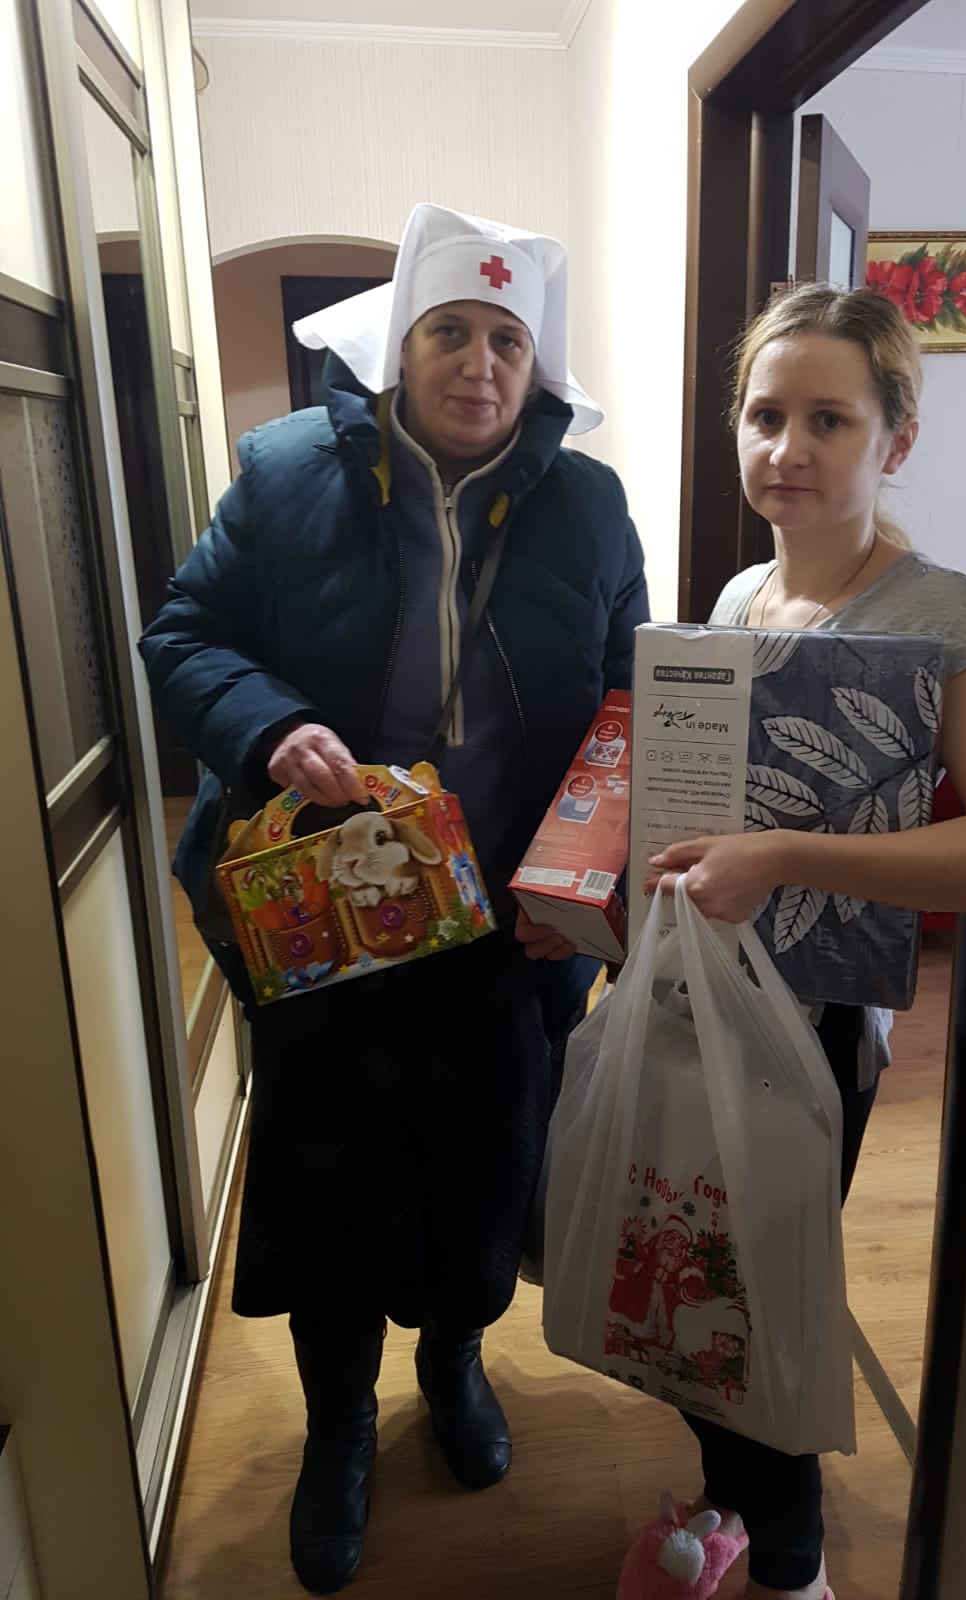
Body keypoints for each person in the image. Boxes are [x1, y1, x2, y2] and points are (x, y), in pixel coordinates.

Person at [140, 202, 648, 1595]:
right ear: (399, 347)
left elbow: (626, 707)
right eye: (450, 333)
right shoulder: (283, 473)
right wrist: (269, 727)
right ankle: (339, 1429)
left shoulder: (590, 505)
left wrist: (583, 879)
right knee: (332, 1172)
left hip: (507, 920)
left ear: (536, 366)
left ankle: (456, 1363)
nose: (478, 363)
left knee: (485, 1157)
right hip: (327, 907)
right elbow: (183, 632)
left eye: (506, 340)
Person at [617, 283, 966, 1600]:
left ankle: (792, 1568)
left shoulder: (945, 622)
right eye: (766, 416)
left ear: (897, 439)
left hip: (814, 1028)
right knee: (691, 1281)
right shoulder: (741, 595)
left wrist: (786, 858)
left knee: (763, 1302)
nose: (789, 448)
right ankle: (730, 1512)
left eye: (830, 419)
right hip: (698, 997)